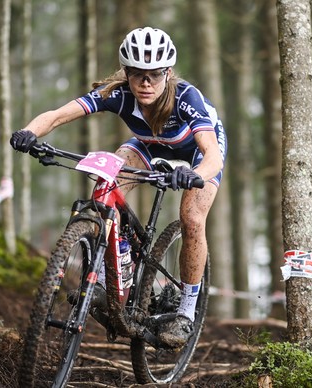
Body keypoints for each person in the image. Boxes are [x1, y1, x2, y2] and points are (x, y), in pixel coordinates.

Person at [11, 27, 227, 348]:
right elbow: (58, 115)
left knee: (192, 216)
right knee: (106, 180)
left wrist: (194, 174)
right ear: (126, 73)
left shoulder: (186, 98)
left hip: (195, 151)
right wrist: (29, 132)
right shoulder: (118, 93)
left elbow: (212, 154)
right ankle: (113, 270)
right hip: (147, 144)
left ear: (167, 73)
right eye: (137, 74)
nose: (145, 83)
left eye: (154, 75)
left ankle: (185, 311)